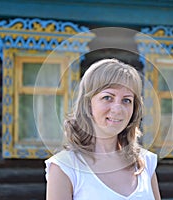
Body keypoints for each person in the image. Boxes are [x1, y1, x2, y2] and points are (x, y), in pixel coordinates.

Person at [45, 58, 161, 200]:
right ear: (88, 104)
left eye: (126, 100)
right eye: (107, 97)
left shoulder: (145, 163)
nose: (117, 109)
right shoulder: (65, 167)